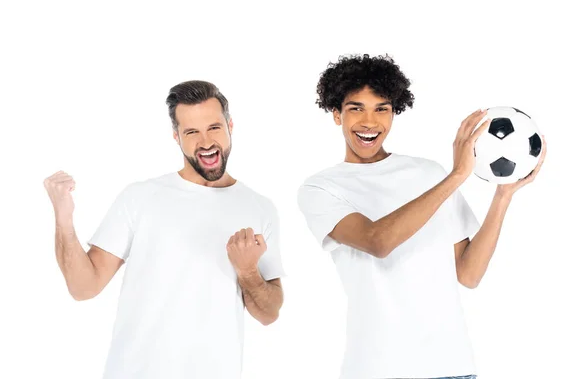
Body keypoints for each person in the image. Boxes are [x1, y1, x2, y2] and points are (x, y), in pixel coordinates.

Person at [297, 54, 546, 379]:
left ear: (394, 112)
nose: (369, 122)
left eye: (381, 109)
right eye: (356, 108)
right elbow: (378, 241)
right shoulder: (321, 188)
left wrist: (503, 196)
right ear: (335, 114)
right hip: (377, 369)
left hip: (451, 366)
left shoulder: (429, 173)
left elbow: (469, 274)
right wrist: (456, 176)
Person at [44, 80, 285, 379]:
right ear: (176, 136)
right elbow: (83, 288)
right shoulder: (141, 197)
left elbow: (269, 314)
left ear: (230, 126)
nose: (206, 141)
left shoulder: (259, 208)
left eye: (214, 127)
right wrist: (63, 218)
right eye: (191, 132)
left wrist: (248, 271)